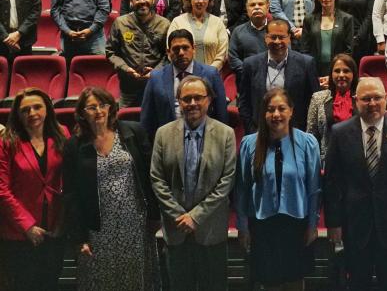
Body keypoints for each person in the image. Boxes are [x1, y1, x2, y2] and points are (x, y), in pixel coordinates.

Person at [324, 76, 387, 291]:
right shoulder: (340, 133)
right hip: (354, 222)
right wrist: (333, 223)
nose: (372, 104)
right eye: (366, 99)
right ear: (356, 100)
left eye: (377, 98)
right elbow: (332, 182)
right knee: (358, 281)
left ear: (386, 99)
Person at [63, 87, 160, 290]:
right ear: (82, 113)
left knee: (135, 279)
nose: (98, 111)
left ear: (110, 108)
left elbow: (150, 177)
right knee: (101, 280)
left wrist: (155, 214)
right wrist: (78, 236)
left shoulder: (132, 132)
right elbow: (71, 195)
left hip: (134, 224)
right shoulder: (74, 145)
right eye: (91, 107)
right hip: (97, 228)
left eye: (102, 105)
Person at [150, 75, 237, 291]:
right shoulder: (163, 134)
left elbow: (226, 181)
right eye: (186, 98)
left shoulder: (225, 134)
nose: (192, 104)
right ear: (178, 101)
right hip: (176, 228)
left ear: (209, 100)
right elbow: (157, 178)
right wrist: (180, 216)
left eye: (198, 97)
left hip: (211, 229)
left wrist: (195, 217)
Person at [235, 87, 321, 291]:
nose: (276, 115)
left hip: (296, 224)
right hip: (263, 225)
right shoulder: (249, 144)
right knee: (269, 281)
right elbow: (242, 189)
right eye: (270, 109)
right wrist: (242, 226)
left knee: (294, 279)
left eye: (281, 108)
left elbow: (314, 189)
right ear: (263, 113)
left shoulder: (308, 143)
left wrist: (312, 224)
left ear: (291, 111)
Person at [0, 88, 68, 291]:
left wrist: (62, 221)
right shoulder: (7, 142)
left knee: (50, 282)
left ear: (47, 108)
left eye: (37, 107)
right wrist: (27, 226)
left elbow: (68, 180)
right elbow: (2, 189)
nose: (32, 113)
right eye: (25, 110)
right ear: (18, 115)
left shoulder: (61, 134)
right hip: (19, 231)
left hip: (54, 228)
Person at [140, 29, 227, 136]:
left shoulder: (211, 74)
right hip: (168, 142)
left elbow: (221, 115)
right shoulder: (156, 78)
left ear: (194, 48)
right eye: (176, 49)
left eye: (185, 48)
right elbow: (147, 119)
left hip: (205, 140)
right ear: (168, 52)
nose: (181, 53)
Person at [239, 19, 319, 133]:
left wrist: (304, 134)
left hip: (296, 133)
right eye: (273, 37)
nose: (277, 41)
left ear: (289, 38)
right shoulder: (250, 64)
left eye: (282, 37)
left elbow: (314, 104)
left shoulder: (306, 64)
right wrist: (252, 132)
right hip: (260, 133)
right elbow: (244, 103)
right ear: (266, 38)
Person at [107, 0, 171, 107]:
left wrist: (156, 71)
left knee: (156, 123)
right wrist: (125, 68)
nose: (142, 1)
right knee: (125, 122)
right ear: (131, 2)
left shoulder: (164, 24)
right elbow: (111, 52)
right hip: (128, 87)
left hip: (156, 85)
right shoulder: (120, 23)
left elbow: (168, 55)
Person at [306, 53, 358, 164]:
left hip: (358, 160)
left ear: (353, 74)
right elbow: (311, 135)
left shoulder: (361, 98)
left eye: (346, 71)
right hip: (328, 161)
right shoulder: (318, 98)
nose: (341, 75)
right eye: (337, 71)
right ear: (331, 74)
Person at [300, 0, 354, 85]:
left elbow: (348, 51)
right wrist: (311, 73)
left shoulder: (346, 19)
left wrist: (336, 73)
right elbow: (304, 50)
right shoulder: (309, 19)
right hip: (314, 71)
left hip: (338, 73)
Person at [167, 0, 228, 69]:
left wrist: (209, 72)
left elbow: (222, 54)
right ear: (189, 0)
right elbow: (172, 51)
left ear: (209, 0)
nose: (201, 1)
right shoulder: (177, 22)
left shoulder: (218, 22)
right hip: (184, 76)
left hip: (211, 75)